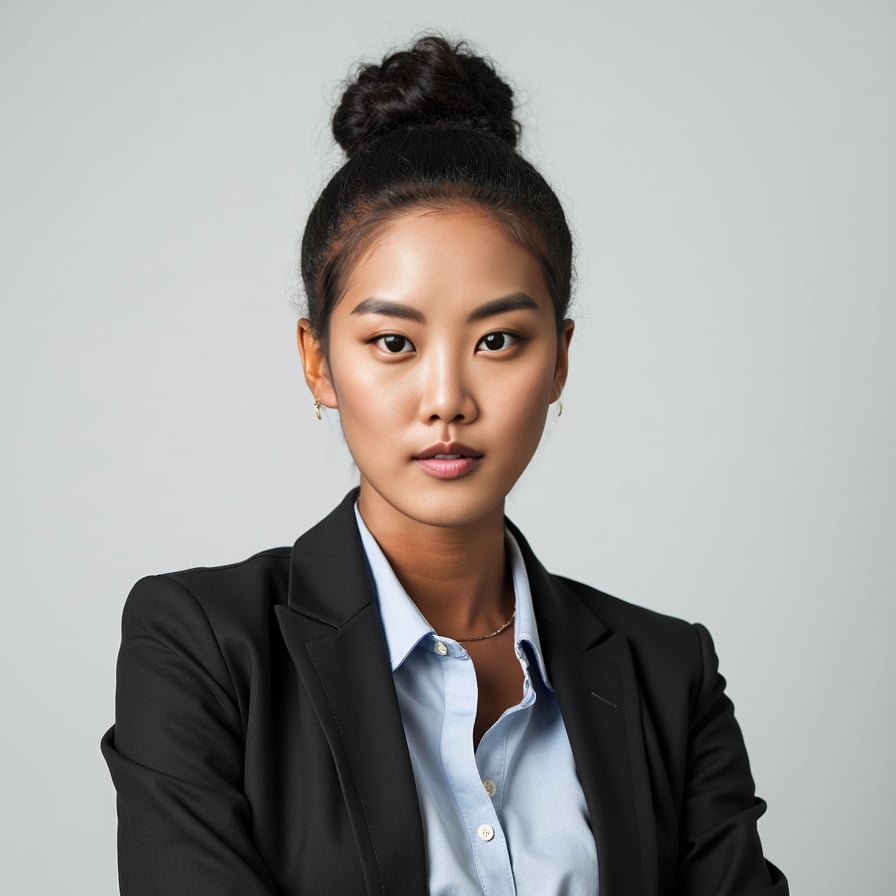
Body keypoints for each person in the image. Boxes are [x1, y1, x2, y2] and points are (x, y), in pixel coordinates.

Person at [101, 35, 788, 896]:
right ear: (317, 363)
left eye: (498, 340)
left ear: (560, 361)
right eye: (393, 342)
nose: (447, 398)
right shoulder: (204, 646)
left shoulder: (667, 671)